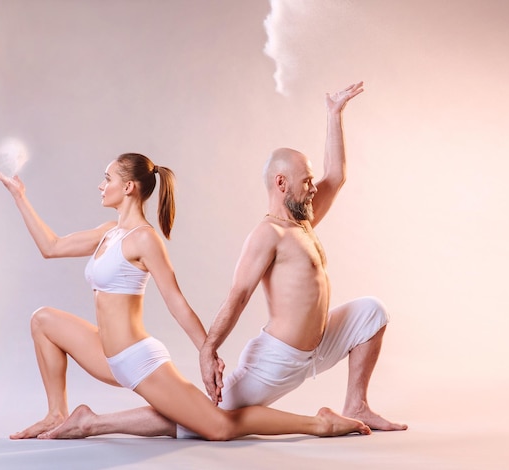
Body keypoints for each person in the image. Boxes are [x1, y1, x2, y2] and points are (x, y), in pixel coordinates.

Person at [31, 82, 406, 441]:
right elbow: (237, 296)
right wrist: (208, 349)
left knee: (371, 312)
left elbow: (337, 176)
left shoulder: (304, 220)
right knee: (206, 421)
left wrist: (333, 113)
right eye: (305, 180)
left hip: (320, 344)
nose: (313, 186)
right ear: (281, 183)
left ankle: (358, 403)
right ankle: (94, 423)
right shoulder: (268, 234)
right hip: (278, 359)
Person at [0, 152, 371, 441]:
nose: (100, 185)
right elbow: (51, 247)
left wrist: (208, 354)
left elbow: (176, 302)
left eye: (106, 179)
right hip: (106, 353)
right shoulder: (109, 232)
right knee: (42, 320)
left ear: (129, 188)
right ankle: (59, 413)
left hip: (138, 361)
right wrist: (20, 196)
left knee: (217, 427)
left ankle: (319, 423)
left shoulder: (145, 239)